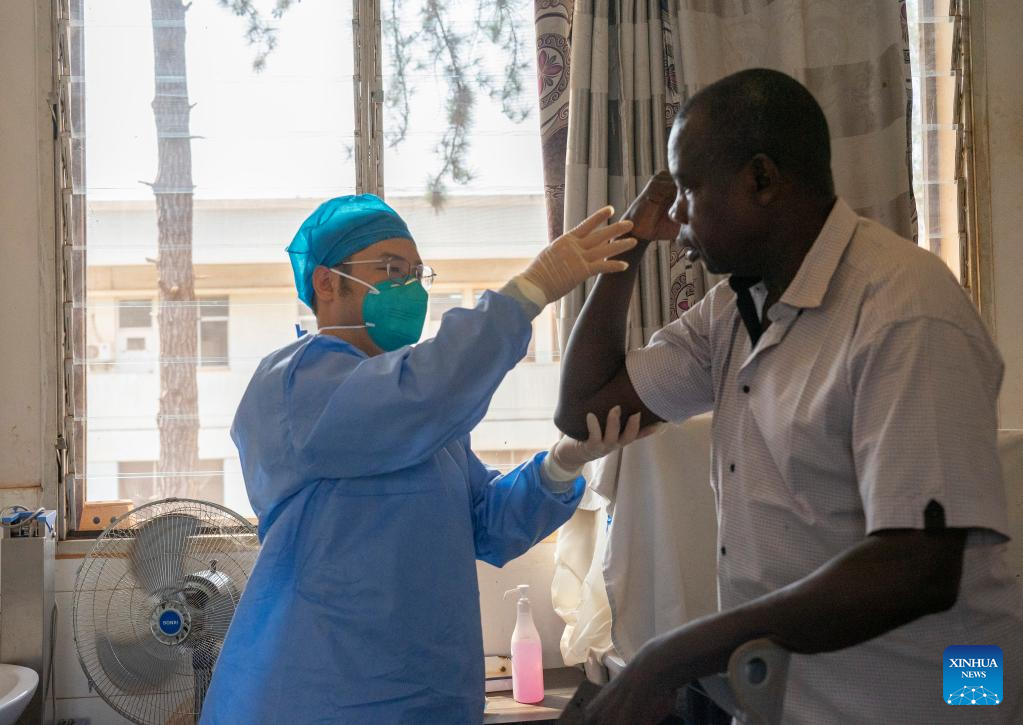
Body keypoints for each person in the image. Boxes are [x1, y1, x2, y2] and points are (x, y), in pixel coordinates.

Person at [555, 69, 1023, 724]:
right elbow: (584, 410)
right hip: (797, 698)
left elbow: (918, 567)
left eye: (688, 188)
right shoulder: (732, 313)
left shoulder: (904, 309)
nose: (677, 213)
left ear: (761, 179)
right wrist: (629, 241)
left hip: (935, 694)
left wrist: (673, 654)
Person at [200, 194, 644, 724]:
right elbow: (427, 390)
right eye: (391, 271)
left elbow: (487, 526)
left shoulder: (424, 417)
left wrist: (562, 464)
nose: (409, 289)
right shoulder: (297, 385)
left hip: (431, 693)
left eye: (416, 274)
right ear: (327, 282)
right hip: (319, 691)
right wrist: (531, 290)